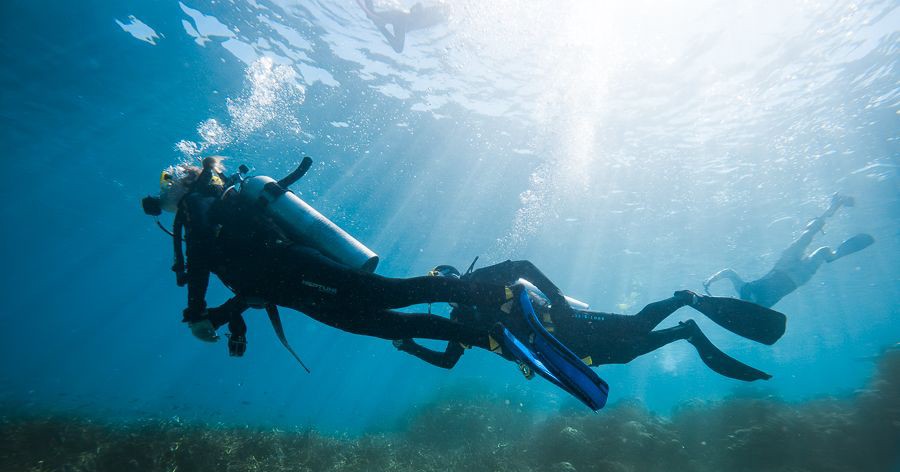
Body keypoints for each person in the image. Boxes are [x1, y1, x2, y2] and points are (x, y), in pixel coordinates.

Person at [142, 157, 574, 359]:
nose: (164, 192)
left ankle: (496, 295)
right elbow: (253, 287)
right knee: (391, 324)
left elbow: (200, 262)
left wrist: (197, 310)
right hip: (299, 292)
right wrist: (218, 316)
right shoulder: (207, 216)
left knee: (394, 295)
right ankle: (492, 338)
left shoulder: (197, 209)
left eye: (168, 181)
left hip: (303, 272)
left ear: (186, 181)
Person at [394, 261, 788, 382]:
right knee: (627, 355)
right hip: (561, 352)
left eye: (443, 279)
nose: (443, 288)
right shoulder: (462, 320)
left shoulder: (481, 281)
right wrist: (408, 343)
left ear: (454, 277)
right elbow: (448, 361)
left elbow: (523, 266)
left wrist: (559, 297)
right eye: (435, 286)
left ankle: (685, 299)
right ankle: (685, 331)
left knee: (634, 326)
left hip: (569, 321)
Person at [703, 194, 874, 307]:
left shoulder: (743, 290)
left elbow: (729, 272)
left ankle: (834, 206)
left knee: (808, 235)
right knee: (823, 251)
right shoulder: (761, 308)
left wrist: (710, 280)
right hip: (798, 278)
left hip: (783, 266)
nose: (733, 299)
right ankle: (834, 256)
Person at [356, 0, 446, 53]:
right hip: (400, 18)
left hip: (400, 20)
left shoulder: (435, 18)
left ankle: (380, 25)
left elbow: (417, 9)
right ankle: (381, 26)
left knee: (372, 15)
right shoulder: (433, 14)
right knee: (372, 16)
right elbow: (417, 7)